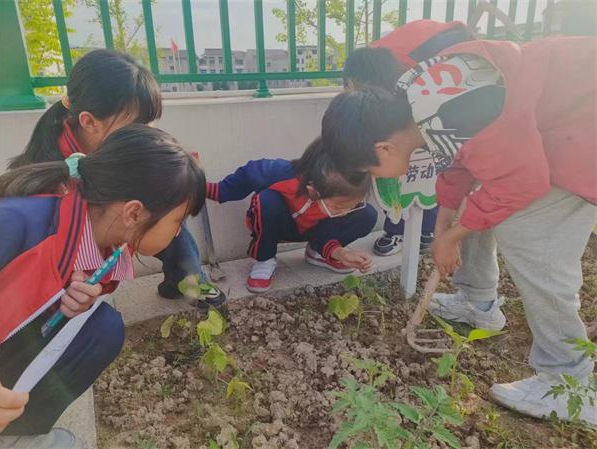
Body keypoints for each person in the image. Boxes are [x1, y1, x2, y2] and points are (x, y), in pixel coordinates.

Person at [320, 34, 596, 425]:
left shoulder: (461, 107)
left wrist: (450, 237)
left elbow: (522, 181)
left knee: (529, 234)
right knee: (480, 205)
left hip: (584, 123)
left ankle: (570, 382)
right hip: (558, 115)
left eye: (369, 172)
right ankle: (479, 304)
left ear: (383, 150)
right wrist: (447, 222)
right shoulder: (414, 99)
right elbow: (460, 159)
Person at [0, 125, 207, 447]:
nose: (178, 234)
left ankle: (16, 431)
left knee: (102, 327)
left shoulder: (108, 247)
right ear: (134, 212)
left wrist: (69, 305)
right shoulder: (15, 223)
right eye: (177, 222)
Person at [9, 49, 225, 306]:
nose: (148, 133)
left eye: (152, 122)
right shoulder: (53, 186)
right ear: (89, 122)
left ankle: (189, 280)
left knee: (171, 205)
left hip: (129, 232)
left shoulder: (122, 146)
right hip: (69, 286)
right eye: (138, 124)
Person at [342, 20, 476, 257]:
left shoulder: (426, 71)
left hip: (449, 96)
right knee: (401, 168)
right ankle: (397, 229)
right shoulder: (369, 64)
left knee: (431, 166)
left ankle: (426, 230)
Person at [206, 137, 377, 292]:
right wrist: (216, 191)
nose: (345, 212)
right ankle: (265, 259)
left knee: (367, 214)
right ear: (313, 191)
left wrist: (341, 253)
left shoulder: (334, 205)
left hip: (315, 229)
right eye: (340, 206)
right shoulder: (281, 173)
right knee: (266, 200)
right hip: (282, 225)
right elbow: (250, 173)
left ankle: (317, 254)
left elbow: (326, 227)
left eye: (351, 205)